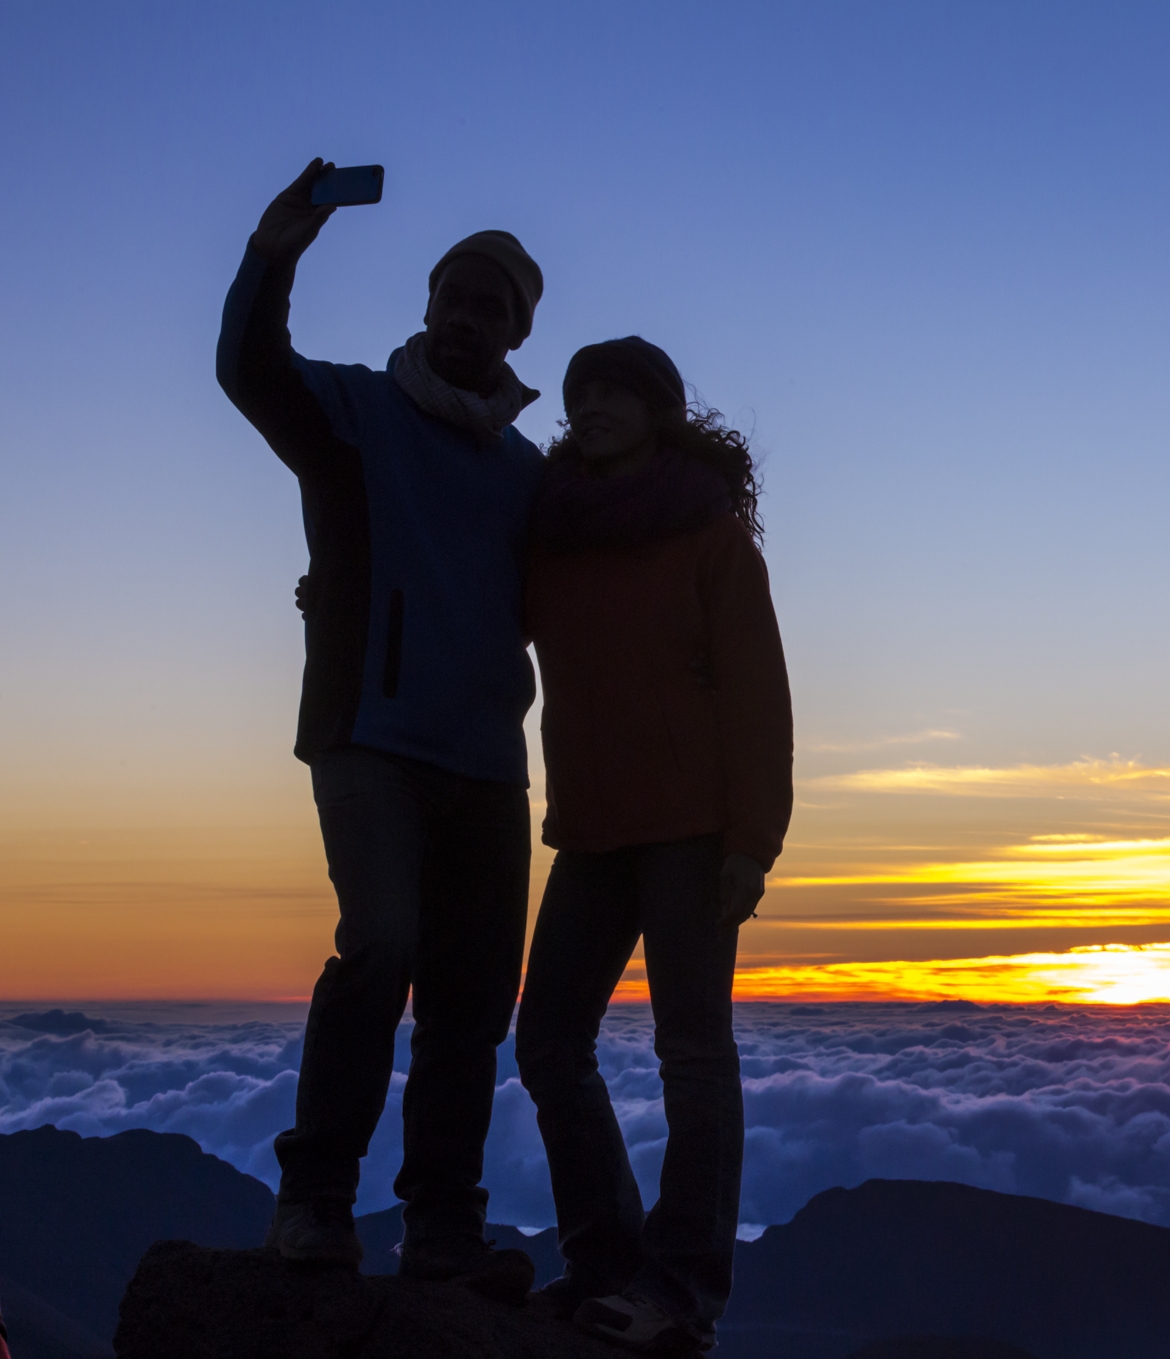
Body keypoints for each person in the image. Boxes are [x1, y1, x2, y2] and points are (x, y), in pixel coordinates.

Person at [216, 159, 545, 1296]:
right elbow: (251, 372)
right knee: (384, 947)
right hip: (369, 738)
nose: (469, 318)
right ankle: (313, 1202)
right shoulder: (354, 413)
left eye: (492, 307)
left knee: (470, 1000)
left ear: (515, 335)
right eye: (457, 296)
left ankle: (442, 1228)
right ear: (428, 307)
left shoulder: (525, 475)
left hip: (490, 766)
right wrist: (275, 250)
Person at [513, 337, 792, 1354]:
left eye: (614, 393)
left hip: (690, 832)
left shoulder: (710, 539)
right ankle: (601, 1261)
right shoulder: (551, 535)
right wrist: (343, 605)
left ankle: (679, 1292)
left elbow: (758, 698)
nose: (589, 404)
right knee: (547, 1043)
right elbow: (473, 616)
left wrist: (752, 842)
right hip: (589, 829)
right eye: (580, 391)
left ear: (658, 411)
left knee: (691, 1057)